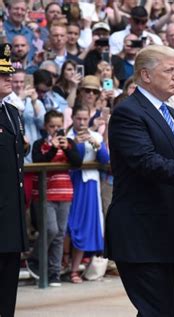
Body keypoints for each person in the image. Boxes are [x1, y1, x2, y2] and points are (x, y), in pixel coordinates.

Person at [106, 45, 174, 316]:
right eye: (170, 70)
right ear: (146, 75)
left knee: (162, 311)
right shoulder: (128, 113)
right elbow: (147, 163)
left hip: (171, 235)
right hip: (141, 235)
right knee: (157, 311)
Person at [26, 110, 82, 287]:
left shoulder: (69, 143)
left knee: (59, 234)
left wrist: (65, 147)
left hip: (64, 193)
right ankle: (34, 259)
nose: (56, 130)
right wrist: (52, 147)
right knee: (50, 229)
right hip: (44, 194)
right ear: (45, 127)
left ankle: (54, 273)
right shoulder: (39, 144)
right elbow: (39, 161)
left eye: (59, 126)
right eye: (52, 126)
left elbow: (77, 162)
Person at [66, 105, 110, 284]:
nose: (82, 122)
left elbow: (105, 160)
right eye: (78, 119)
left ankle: (74, 269)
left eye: (85, 119)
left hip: (90, 184)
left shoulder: (96, 136)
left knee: (85, 225)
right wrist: (76, 143)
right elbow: (72, 159)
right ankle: (63, 262)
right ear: (73, 118)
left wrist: (96, 144)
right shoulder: (67, 137)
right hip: (72, 182)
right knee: (69, 225)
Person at [0, 43, 28, 317]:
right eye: (1, 74)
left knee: (8, 289)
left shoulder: (12, 113)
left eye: (9, 73)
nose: (8, 77)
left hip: (11, 217)